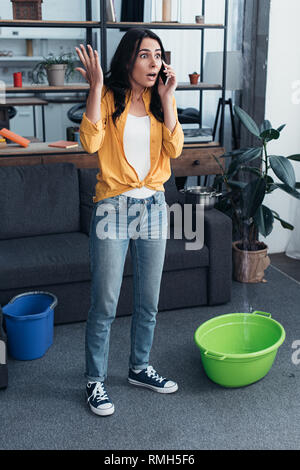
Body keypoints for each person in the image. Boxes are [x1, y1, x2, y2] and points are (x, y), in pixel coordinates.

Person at [76, 28, 184, 417]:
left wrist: (169, 99)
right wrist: (95, 87)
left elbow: (175, 149)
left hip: (155, 207)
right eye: (145, 55)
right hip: (112, 211)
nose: (154, 62)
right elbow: (89, 143)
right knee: (104, 304)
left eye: (158, 55)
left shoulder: (160, 101)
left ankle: (139, 368)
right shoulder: (107, 99)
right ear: (128, 61)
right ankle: (95, 381)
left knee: (149, 302)